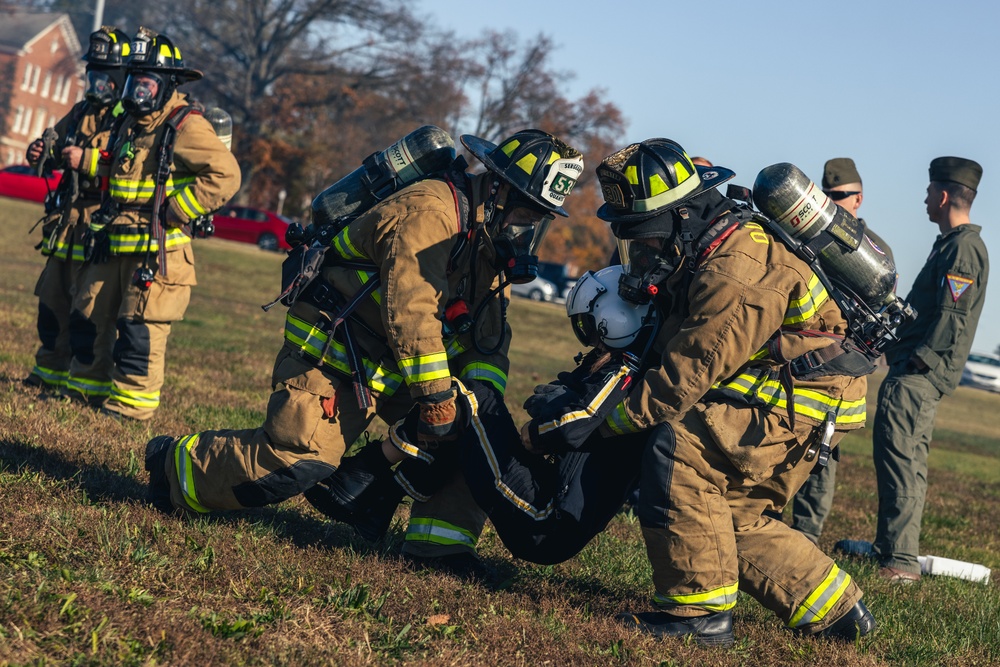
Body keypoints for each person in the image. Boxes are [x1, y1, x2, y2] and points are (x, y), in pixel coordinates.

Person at [144, 129, 584, 571]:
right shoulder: (429, 214)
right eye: (526, 212)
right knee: (297, 460)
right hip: (338, 354)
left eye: (538, 218)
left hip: (400, 369)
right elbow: (411, 312)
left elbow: (489, 339)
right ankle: (174, 466)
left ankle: (440, 548)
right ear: (498, 188)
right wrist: (435, 399)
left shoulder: (486, 240)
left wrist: (475, 403)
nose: (526, 227)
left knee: (475, 437)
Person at [593, 139, 875, 647]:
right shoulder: (711, 244)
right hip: (802, 394)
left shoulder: (736, 269)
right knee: (732, 511)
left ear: (680, 217)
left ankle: (697, 616)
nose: (646, 254)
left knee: (679, 450)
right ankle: (835, 610)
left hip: (801, 401)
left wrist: (604, 423)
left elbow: (684, 378)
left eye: (650, 240)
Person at [307, 265, 656, 565]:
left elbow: (573, 426)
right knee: (467, 422)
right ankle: (376, 502)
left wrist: (533, 434)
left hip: (546, 519)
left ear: (615, 319)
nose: (590, 337)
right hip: (547, 506)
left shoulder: (626, 370)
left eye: (592, 326)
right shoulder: (627, 366)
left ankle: (365, 474)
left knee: (464, 398)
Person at [65, 26, 241, 419]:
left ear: (165, 85)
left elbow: (226, 175)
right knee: (88, 313)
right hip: (116, 239)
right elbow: (119, 166)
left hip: (158, 251)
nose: (136, 92)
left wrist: (180, 209)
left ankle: (131, 404)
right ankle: (85, 388)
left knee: (139, 327)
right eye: (133, 82)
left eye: (145, 84)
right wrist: (83, 160)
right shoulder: (132, 122)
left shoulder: (186, 126)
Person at [836, 157, 988, 583]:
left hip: (917, 375)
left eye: (927, 192)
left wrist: (916, 361)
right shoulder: (952, 245)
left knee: (902, 459)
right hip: (912, 371)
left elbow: (950, 319)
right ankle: (890, 547)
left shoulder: (962, 249)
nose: (923, 199)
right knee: (896, 457)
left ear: (942, 196)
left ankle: (901, 561)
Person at [22, 26, 130, 397]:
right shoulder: (81, 110)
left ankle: (85, 386)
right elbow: (56, 147)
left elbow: (130, 168)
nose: (96, 84)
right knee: (52, 301)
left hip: (99, 226)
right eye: (93, 76)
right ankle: (47, 373)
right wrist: (40, 152)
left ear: (119, 82)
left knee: (89, 310)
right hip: (66, 223)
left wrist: (89, 161)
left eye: (104, 78)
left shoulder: (127, 120)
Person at [791, 157, 894, 544]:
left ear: (859, 199)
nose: (833, 201)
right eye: (826, 195)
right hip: (802, 350)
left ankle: (806, 532)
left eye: (841, 195)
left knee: (823, 447)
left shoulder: (874, 253)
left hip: (844, 358)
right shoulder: (809, 236)